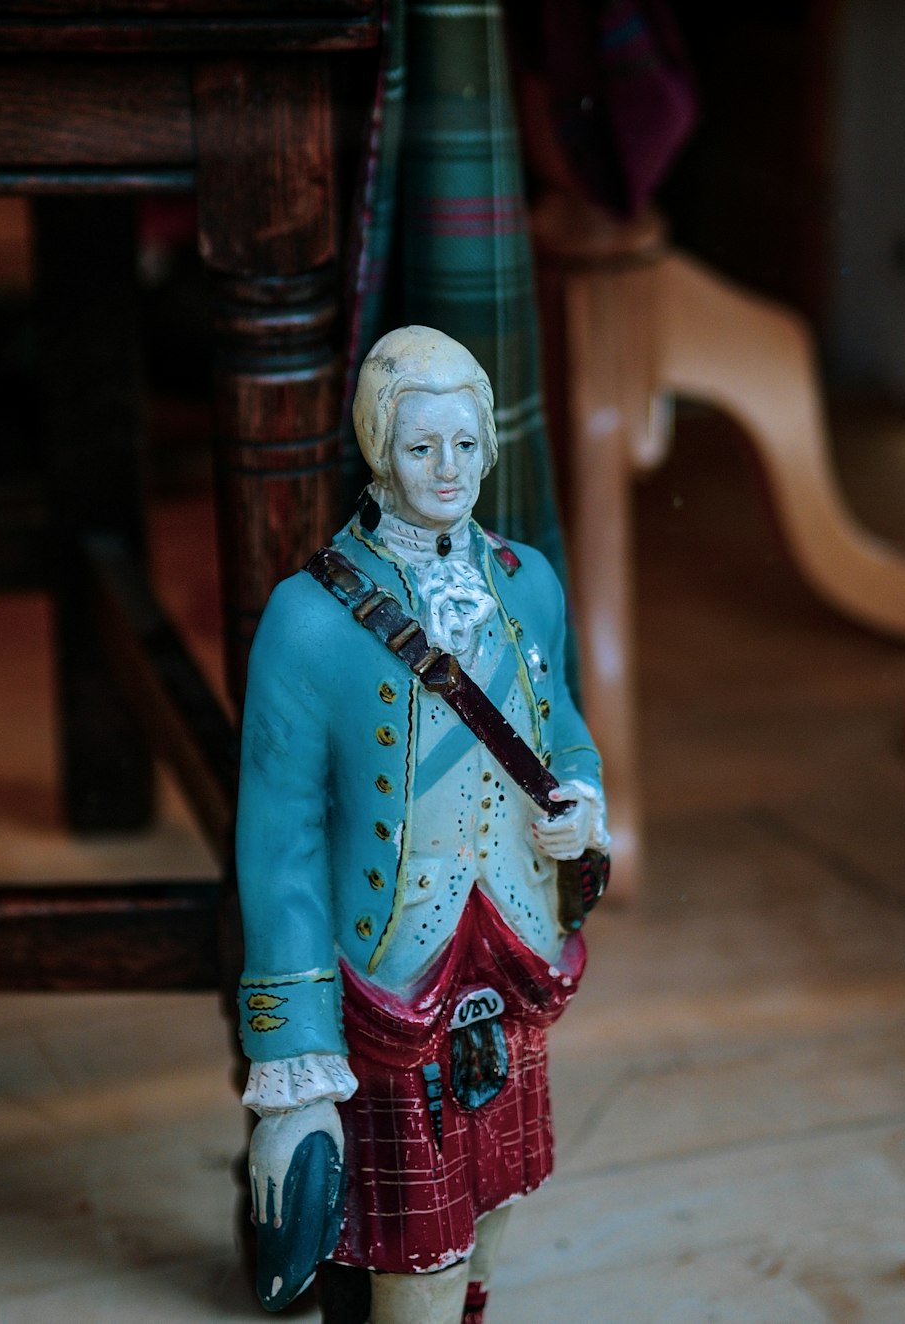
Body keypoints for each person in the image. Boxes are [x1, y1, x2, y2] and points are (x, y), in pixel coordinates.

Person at [236, 325, 607, 1324]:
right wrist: (294, 1060)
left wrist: (581, 801)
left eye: (465, 444)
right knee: (416, 1244)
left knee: (492, 1210)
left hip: (512, 945)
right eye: (418, 446)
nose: (447, 470)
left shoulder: (529, 582)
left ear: (491, 446)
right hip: (393, 969)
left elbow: (560, 727)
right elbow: (280, 849)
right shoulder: (308, 622)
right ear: (378, 450)